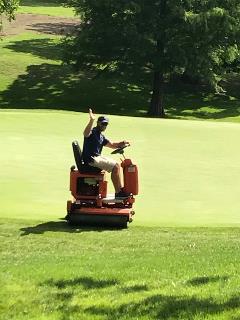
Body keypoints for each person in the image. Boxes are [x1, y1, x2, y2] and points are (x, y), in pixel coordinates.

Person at [82, 108, 130, 198]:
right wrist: (91, 120)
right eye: (103, 123)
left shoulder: (101, 136)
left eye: (106, 124)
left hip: (96, 158)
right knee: (115, 166)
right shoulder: (93, 132)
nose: (104, 125)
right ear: (98, 123)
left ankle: (120, 190)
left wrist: (122, 143)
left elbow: (112, 144)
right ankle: (118, 192)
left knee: (117, 165)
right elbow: (85, 133)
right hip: (91, 159)